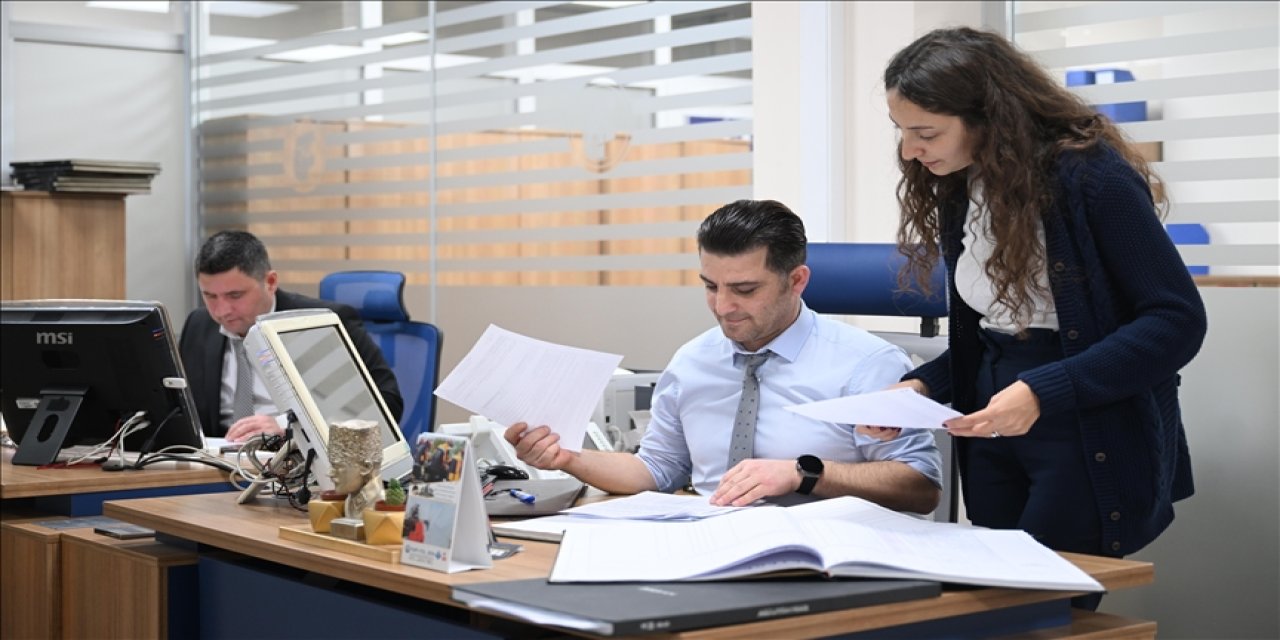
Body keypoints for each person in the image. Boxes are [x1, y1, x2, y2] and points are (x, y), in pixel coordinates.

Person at [873, 25, 1207, 602]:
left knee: (1050, 610)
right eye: (902, 132)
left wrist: (1045, 391)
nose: (910, 150)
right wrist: (925, 385)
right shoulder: (961, 184)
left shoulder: (1091, 178)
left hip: (1081, 425)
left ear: (988, 117)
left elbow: (1176, 320)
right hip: (994, 424)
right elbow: (994, 332)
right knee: (993, 604)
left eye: (925, 132)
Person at [505, 200, 943, 513]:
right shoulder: (694, 359)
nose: (722, 306)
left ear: (797, 280)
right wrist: (569, 459)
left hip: (821, 556)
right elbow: (657, 468)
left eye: (745, 290)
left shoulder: (867, 364)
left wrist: (805, 474)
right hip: (708, 541)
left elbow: (919, 487)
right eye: (711, 286)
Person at [179, 230, 403, 441]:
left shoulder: (322, 324)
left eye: (235, 295)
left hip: (300, 464)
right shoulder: (199, 325)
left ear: (271, 282)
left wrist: (289, 427)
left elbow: (385, 406)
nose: (222, 310)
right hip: (220, 465)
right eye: (210, 296)